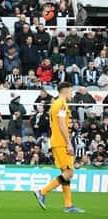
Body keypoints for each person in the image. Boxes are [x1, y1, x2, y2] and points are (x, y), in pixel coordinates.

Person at [33, 82, 85, 213]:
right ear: (65, 90)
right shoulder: (61, 103)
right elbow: (62, 125)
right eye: (71, 90)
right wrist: (68, 143)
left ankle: (68, 205)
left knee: (65, 173)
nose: (72, 93)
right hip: (62, 142)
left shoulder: (55, 103)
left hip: (57, 141)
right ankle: (42, 191)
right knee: (69, 173)